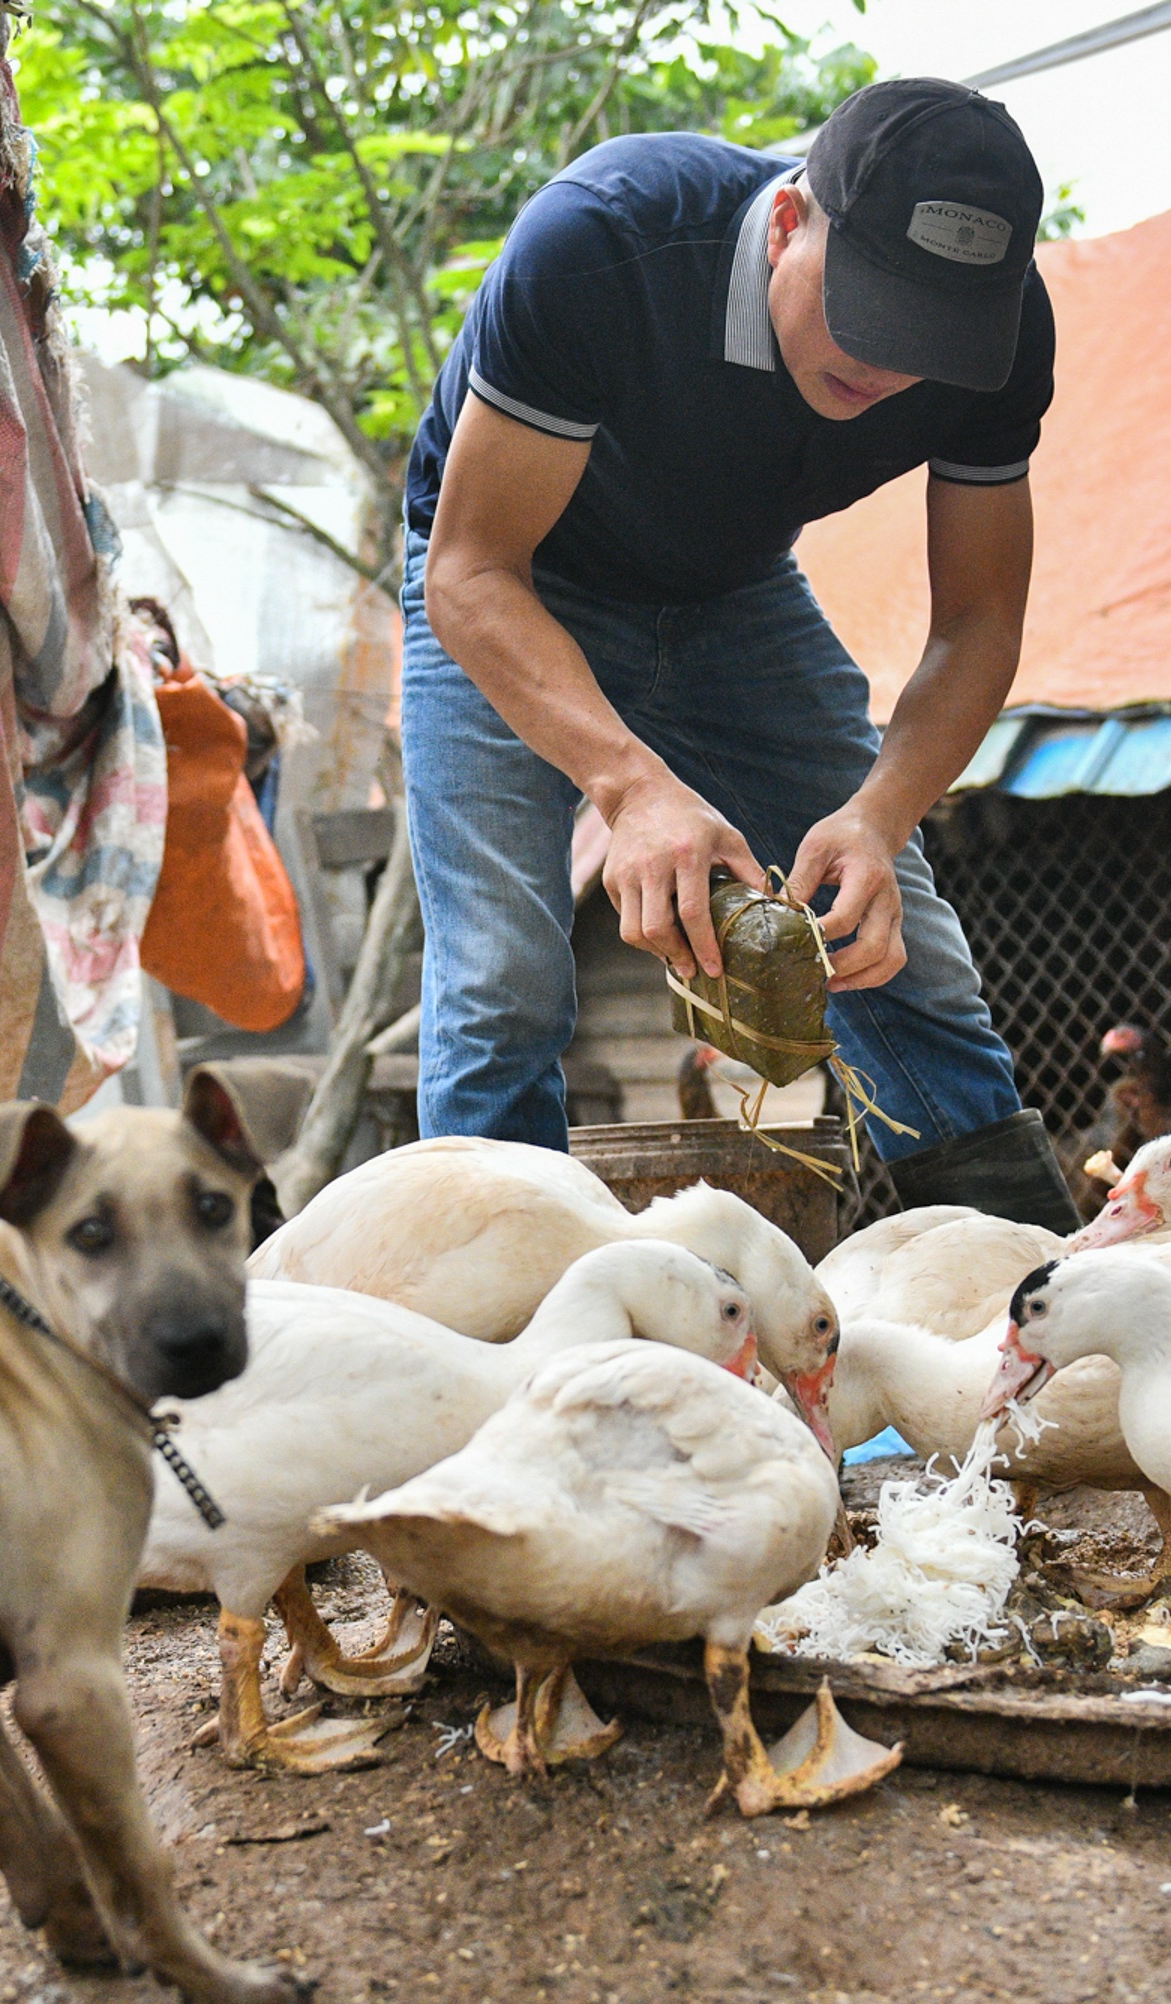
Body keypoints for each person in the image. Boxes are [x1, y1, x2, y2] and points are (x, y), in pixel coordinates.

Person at [399, 76, 1079, 1231]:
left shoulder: (1001, 348)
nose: (889, 370)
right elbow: (470, 571)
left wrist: (879, 815)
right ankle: (504, 1352)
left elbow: (978, 623)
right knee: (501, 981)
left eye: (933, 340)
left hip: (731, 593)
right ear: (785, 225)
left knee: (892, 948)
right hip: (516, 581)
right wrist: (628, 785)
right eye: (868, 311)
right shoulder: (603, 244)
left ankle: (1029, 1311)